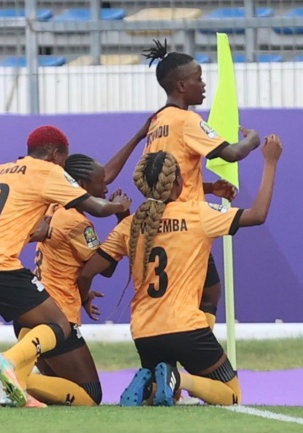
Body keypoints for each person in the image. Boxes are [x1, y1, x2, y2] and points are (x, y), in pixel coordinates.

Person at [78, 135, 281, 407]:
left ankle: (151, 383)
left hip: (144, 331)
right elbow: (258, 215)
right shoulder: (197, 214)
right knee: (231, 394)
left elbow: (88, 272)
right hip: (186, 327)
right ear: (177, 183)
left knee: (164, 398)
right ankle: (177, 378)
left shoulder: (129, 226)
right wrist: (270, 161)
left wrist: (84, 296)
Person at [0, 125, 132, 408]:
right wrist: (120, 208)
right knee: (58, 326)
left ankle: (16, 383)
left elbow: (11, 222)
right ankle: (8, 367)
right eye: (63, 160)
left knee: (45, 327)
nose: (64, 168)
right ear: (53, 154)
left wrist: (35, 234)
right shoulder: (48, 175)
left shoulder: (0, 170)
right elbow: (96, 208)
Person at [0, 119, 152, 408]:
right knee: (90, 395)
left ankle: (15, 380)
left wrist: (138, 136)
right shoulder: (78, 222)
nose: (106, 187)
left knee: (62, 396)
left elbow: (102, 175)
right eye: (101, 184)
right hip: (57, 318)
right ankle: (15, 378)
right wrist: (121, 219)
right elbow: (100, 269)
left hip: (30, 312)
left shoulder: (54, 206)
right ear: (81, 186)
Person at [141, 39, 261, 330]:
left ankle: (185, 354)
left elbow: (158, 177)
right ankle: (194, 352)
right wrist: (253, 140)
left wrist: (208, 188)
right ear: (182, 86)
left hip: (163, 219)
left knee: (207, 290)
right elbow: (231, 153)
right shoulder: (187, 120)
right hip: (190, 223)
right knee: (201, 295)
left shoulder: (158, 123)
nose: (204, 85)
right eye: (199, 79)